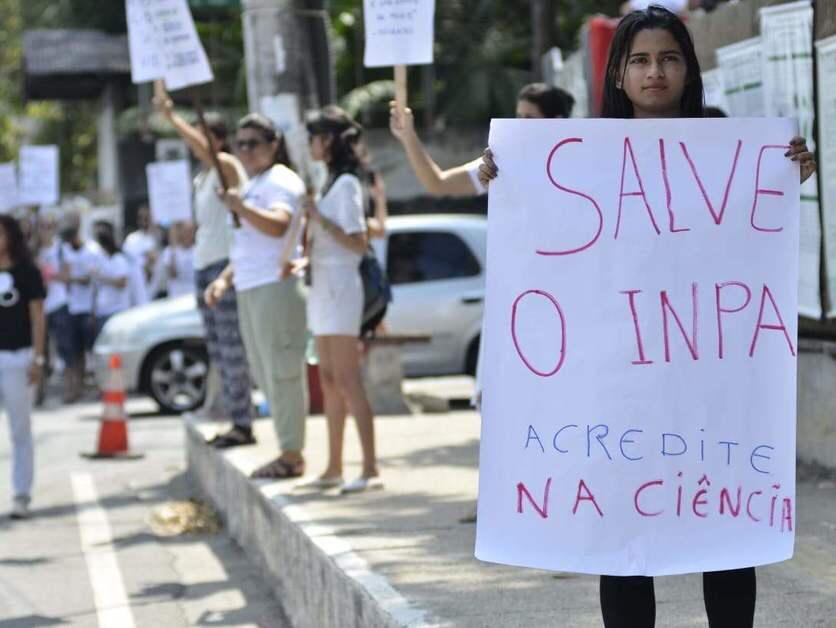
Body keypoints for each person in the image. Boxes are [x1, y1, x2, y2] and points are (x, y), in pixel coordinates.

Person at [478, 6, 816, 627]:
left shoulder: (730, 145)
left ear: (688, 69)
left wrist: (790, 172)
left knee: (727, 534)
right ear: (618, 74)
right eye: (639, 60)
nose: (654, 71)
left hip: (711, 383)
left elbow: (745, 235)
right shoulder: (581, 157)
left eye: (668, 58)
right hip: (622, 388)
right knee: (624, 539)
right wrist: (505, 175)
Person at [206, 114, 308, 478]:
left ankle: (292, 455)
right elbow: (246, 247)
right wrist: (224, 280)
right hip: (251, 285)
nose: (246, 150)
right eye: (241, 144)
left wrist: (241, 208)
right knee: (265, 374)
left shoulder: (281, 180)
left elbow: (279, 225)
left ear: (273, 145)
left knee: (282, 372)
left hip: (275, 285)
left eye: (254, 143)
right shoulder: (253, 185)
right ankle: (287, 448)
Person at [154, 87, 255, 447]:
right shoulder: (202, 178)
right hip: (203, 265)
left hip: (224, 267)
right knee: (217, 352)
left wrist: (171, 117)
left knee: (232, 349)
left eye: (202, 136)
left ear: (218, 140)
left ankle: (243, 423)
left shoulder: (227, 166)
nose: (194, 143)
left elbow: (207, 151)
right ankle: (234, 418)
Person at [292, 106, 382, 494]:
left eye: (313, 137)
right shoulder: (329, 181)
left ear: (327, 140)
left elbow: (359, 242)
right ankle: (334, 466)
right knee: (328, 378)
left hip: (342, 286)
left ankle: (370, 467)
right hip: (322, 285)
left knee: (346, 378)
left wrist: (319, 218)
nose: (309, 145)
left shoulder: (346, 184)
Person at [389, 82, 575, 198]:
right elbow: (437, 183)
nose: (521, 124)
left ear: (556, 122)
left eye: (529, 118)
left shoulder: (580, 163)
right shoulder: (502, 163)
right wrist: (408, 136)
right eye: (519, 117)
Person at [0, 215, 46, 519]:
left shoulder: (27, 272)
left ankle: (21, 494)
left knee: (20, 429)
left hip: (18, 357)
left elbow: (38, 317)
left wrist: (38, 358)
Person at [56, 213, 101, 403]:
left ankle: (98, 385)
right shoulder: (66, 250)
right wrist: (73, 278)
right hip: (73, 308)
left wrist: (72, 278)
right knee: (76, 352)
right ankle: (78, 388)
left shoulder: (91, 250)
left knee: (93, 350)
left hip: (88, 308)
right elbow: (65, 277)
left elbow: (88, 280)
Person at [35, 214, 72, 405]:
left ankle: (69, 389)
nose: (45, 230)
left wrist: (49, 273)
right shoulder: (34, 250)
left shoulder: (61, 249)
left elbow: (67, 276)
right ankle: (39, 391)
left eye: (49, 226)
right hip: (40, 306)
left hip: (58, 303)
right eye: (42, 226)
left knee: (65, 348)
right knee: (40, 350)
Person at [91, 221, 132, 338]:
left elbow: (122, 282)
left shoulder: (119, 259)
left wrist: (101, 277)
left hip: (117, 312)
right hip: (102, 312)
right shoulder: (100, 260)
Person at [152, 220, 196, 298]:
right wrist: (173, 250)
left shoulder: (198, 250)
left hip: (194, 293)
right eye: (186, 231)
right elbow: (173, 274)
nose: (188, 234)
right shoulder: (169, 251)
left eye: (191, 231)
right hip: (176, 295)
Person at [123, 205, 161, 286]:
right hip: (139, 285)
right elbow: (130, 261)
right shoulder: (131, 239)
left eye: (147, 218)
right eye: (141, 218)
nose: (144, 222)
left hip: (158, 286)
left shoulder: (158, 237)